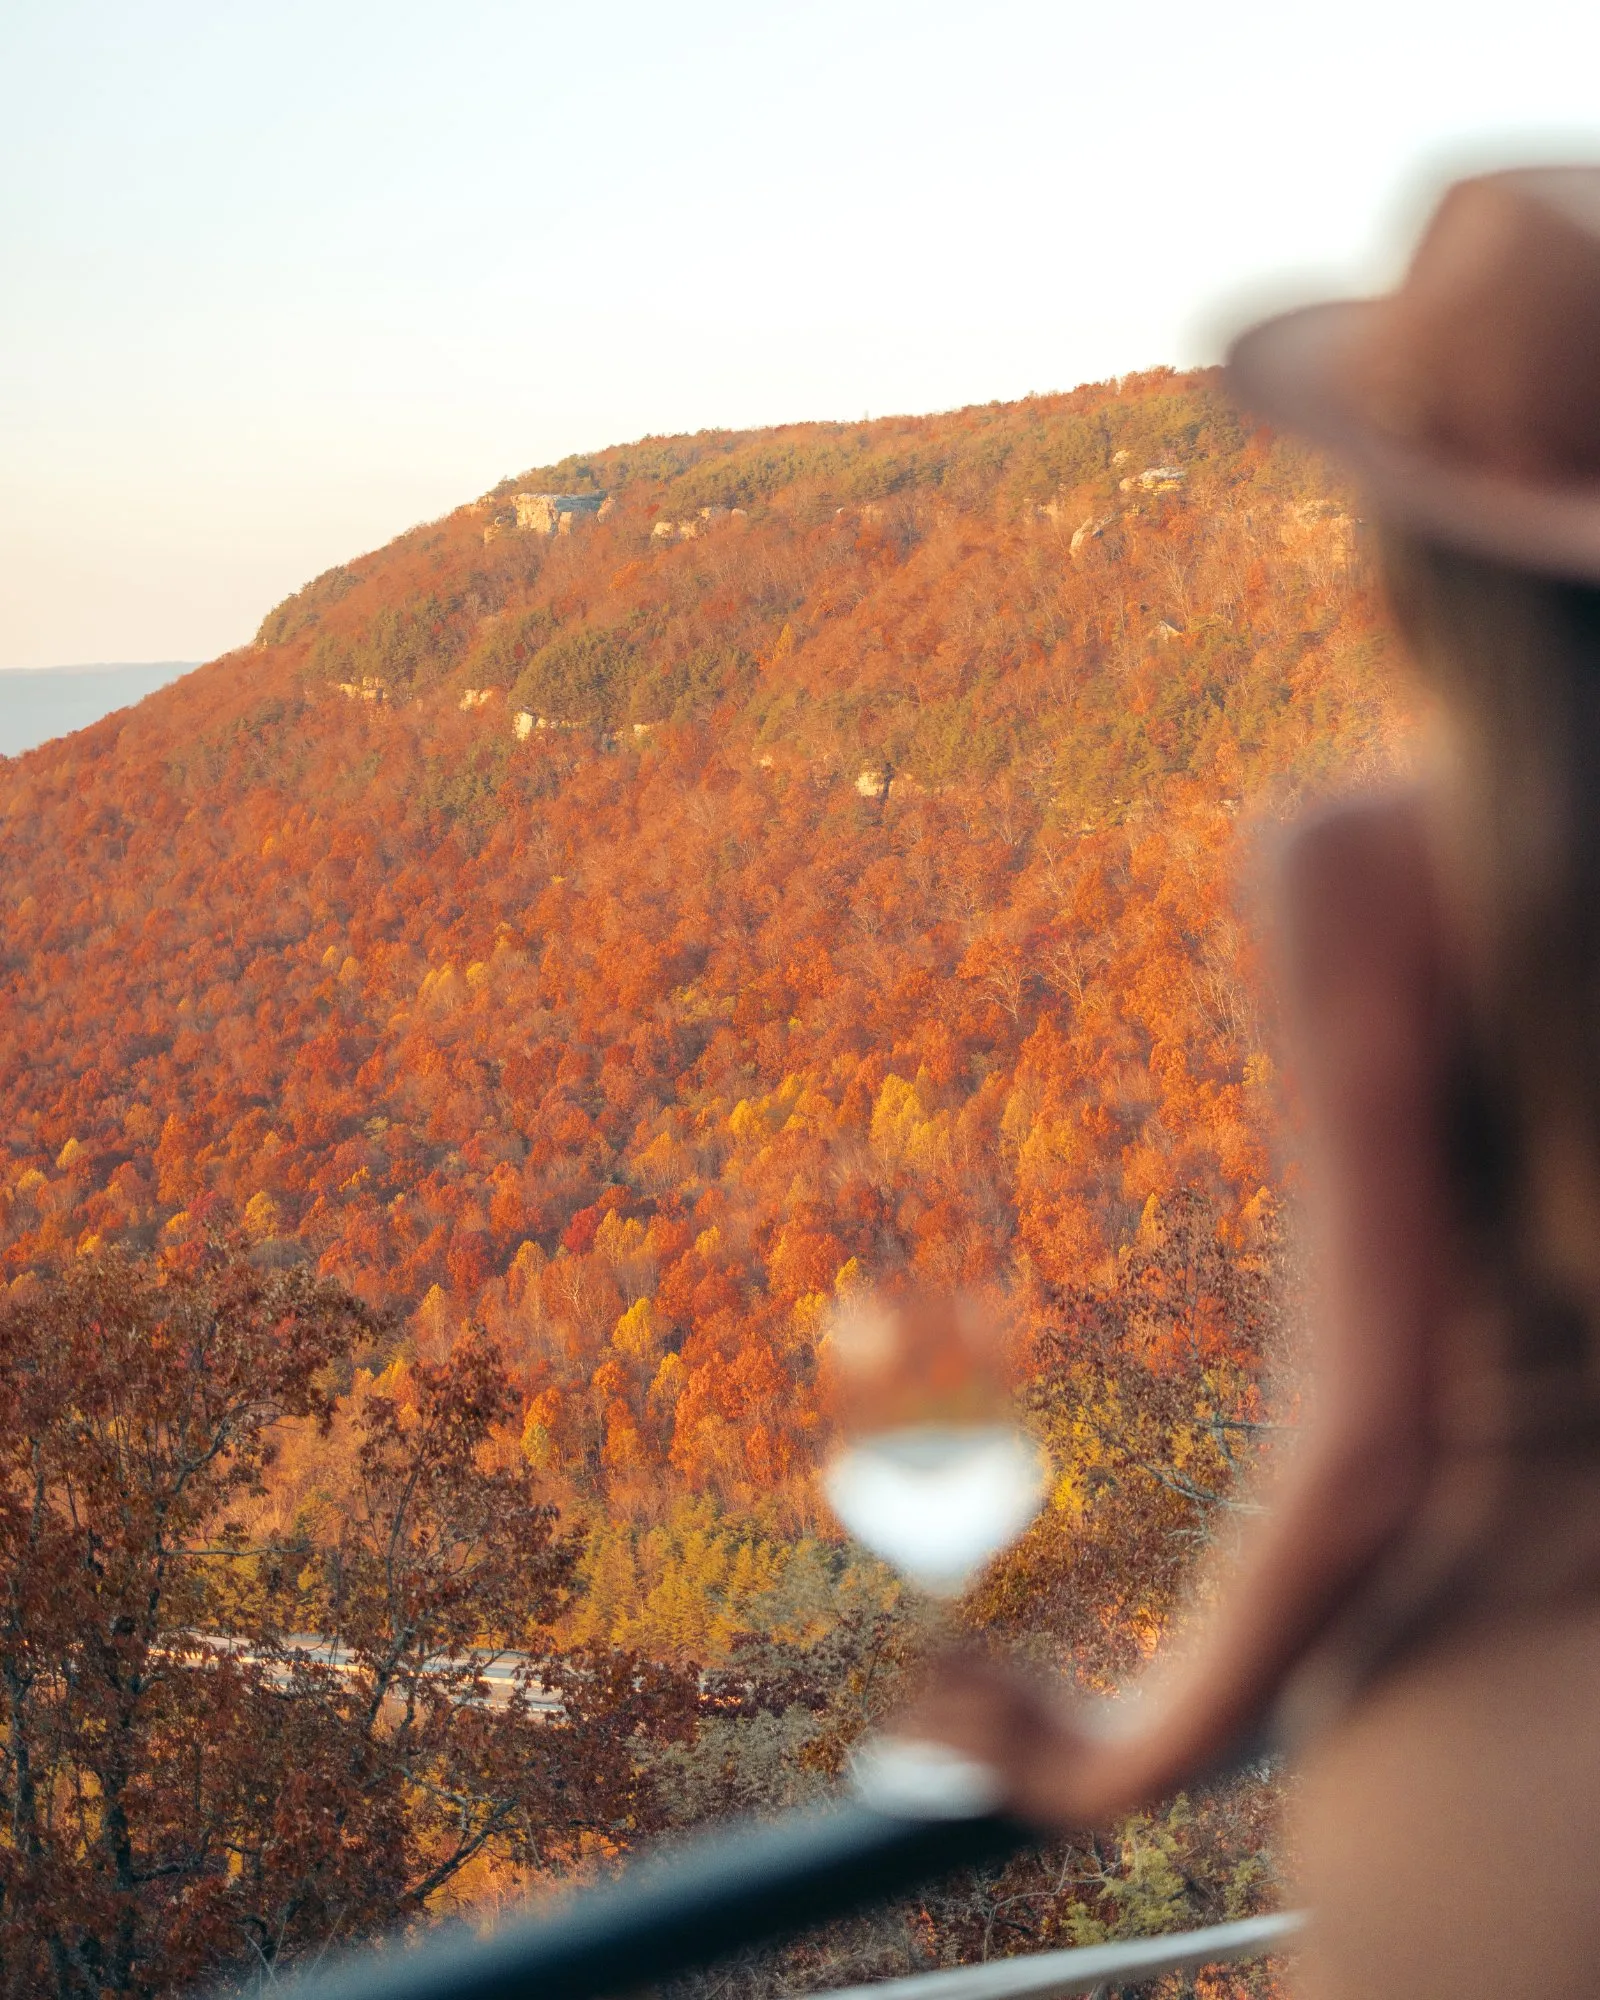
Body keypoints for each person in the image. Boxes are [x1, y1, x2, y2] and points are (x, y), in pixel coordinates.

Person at [901, 166, 1600, 1999]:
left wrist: (1121, 1754)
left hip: (1508, 1798)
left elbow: (1370, 1439)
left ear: (1418, 525)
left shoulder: (1378, 870)